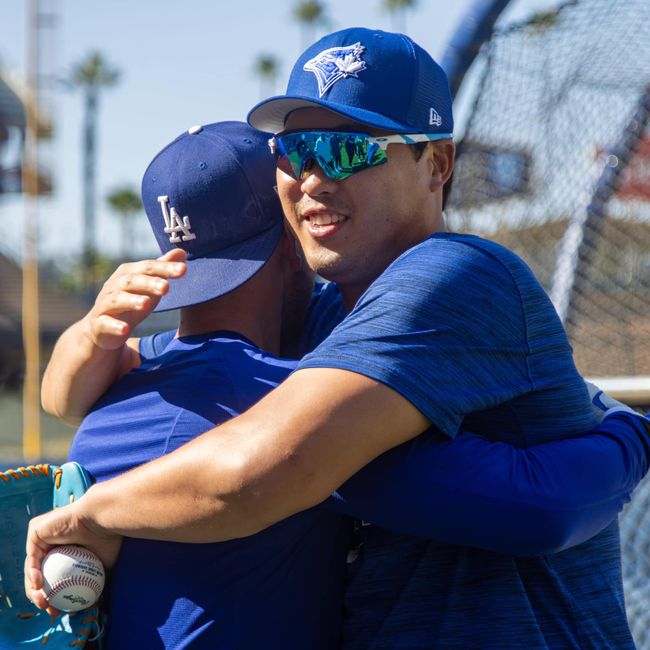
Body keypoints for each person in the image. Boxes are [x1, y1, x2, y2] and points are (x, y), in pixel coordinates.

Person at [26, 29, 650, 649]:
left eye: (349, 150)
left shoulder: (454, 275)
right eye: (296, 152)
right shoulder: (317, 321)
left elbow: (263, 470)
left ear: (437, 163)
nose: (315, 178)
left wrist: (90, 511)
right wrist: (88, 339)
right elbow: (163, 371)